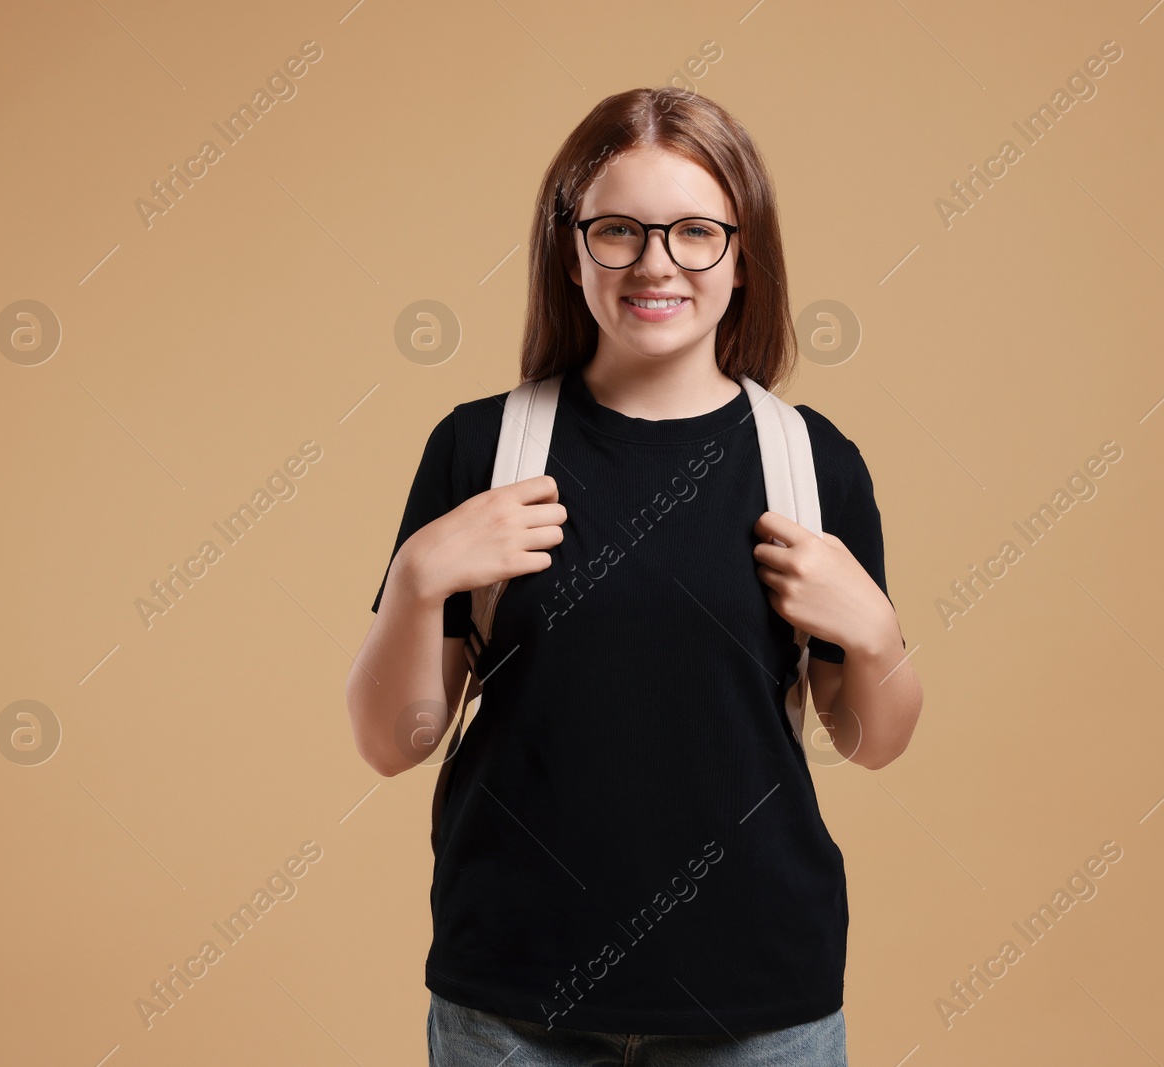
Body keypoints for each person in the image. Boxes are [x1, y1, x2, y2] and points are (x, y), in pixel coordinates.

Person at [346, 86, 923, 1066]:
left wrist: (874, 635)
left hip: (760, 1003)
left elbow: (868, 740)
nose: (656, 264)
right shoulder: (482, 447)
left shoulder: (810, 463)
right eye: (618, 229)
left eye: (695, 230)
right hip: (512, 1003)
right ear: (570, 249)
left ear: (743, 255)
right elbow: (393, 742)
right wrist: (415, 581)